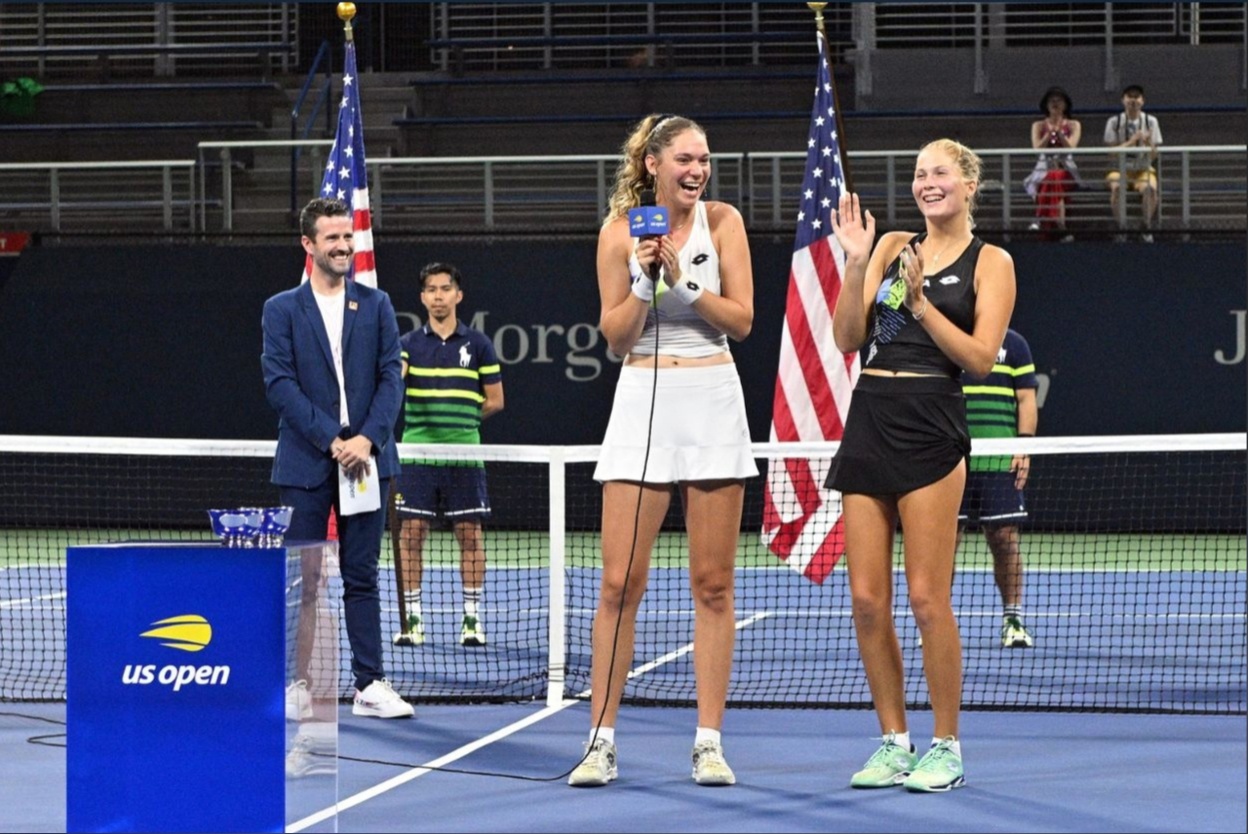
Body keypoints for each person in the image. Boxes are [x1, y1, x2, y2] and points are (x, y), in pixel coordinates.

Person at [567, 113, 756, 788]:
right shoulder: (618, 234)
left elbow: (742, 321)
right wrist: (647, 281)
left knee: (713, 584)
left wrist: (685, 284)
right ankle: (600, 742)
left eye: (704, 160)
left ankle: (708, 743)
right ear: (653, 164)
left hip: (712, 401)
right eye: (685, 159)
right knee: (620, 583)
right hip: (642, 401)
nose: (697, 170)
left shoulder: (724, 222)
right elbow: (617, 337)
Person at [824, 139, 1016, 792]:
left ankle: (946, 747)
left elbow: (981, 359)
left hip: (932, 424)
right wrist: (857, 262)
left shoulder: (992, 262)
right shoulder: (890, 246)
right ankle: (893, 742)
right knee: (866, 599)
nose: (927, 183)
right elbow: (847, 338)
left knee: (928, 599)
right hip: (870, 418)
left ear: (969, 183)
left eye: (939, 173)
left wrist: (922, 305)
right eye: (918, 174)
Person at [261, 197, 413, 720]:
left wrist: (366, 440)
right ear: (309, 244)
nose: (344, 245)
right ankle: (295, 684)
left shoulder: (377, 304)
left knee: (362, 576)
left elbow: (392, 377)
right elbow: (279, 384)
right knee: (302, 581)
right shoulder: (281, 309)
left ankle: (369, 685)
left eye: (348, 236)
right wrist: (333, 440)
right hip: (306, 464)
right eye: (333, 237)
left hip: (368, 461)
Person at [392, 262, 504, 649]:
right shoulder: (406, 345)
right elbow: (393, 383)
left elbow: (496, 400)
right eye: (431, 290)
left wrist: (463, 422)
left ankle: (471, 620)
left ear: (458, 295)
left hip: (464, 454)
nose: (438, 296)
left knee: (470, 534)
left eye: (445, 289)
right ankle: (412, 620)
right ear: (423, 298)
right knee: (411, 534)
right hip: (417, 454)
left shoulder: (479, 345)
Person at [958, 327, 1039, 649]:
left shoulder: (1015, 344)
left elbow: (1026, 399)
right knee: (944, 543)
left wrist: (1024, 448)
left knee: (1004, 539)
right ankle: (935, 623)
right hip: (952, 458)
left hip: (1000, 460)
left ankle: (1013, 620)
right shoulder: (947, 336)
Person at [1103, 84, 1163, 241]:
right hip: (1118, 169)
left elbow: (1154, 155)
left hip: (1143, 169)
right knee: (1117, 189)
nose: (1133, 100)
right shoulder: (1114, 122)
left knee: (1150, 190)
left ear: (1142, 101)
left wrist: (1148, 141)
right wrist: (1131, 142)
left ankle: (1146, 227)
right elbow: (1111, 153)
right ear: (1123, 100)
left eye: (1137, 97)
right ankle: (1121, 228)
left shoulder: (1151, 121)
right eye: (1129, 97)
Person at [1024, 86, 1082, 240]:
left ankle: (1039, 219)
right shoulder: (1038, 125)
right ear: (1046, 105)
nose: (1055, 104)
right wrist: (1048, 135)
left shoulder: (1074, 125)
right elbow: (1037, 149)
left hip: (1065, 168)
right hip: (1044, 169)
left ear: (1065, 104)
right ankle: (1061, 227)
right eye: (1052, 101)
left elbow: (1071, 148)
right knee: (1053, 180)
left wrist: (1060, 134)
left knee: (1055, 177)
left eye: (1059, 101)